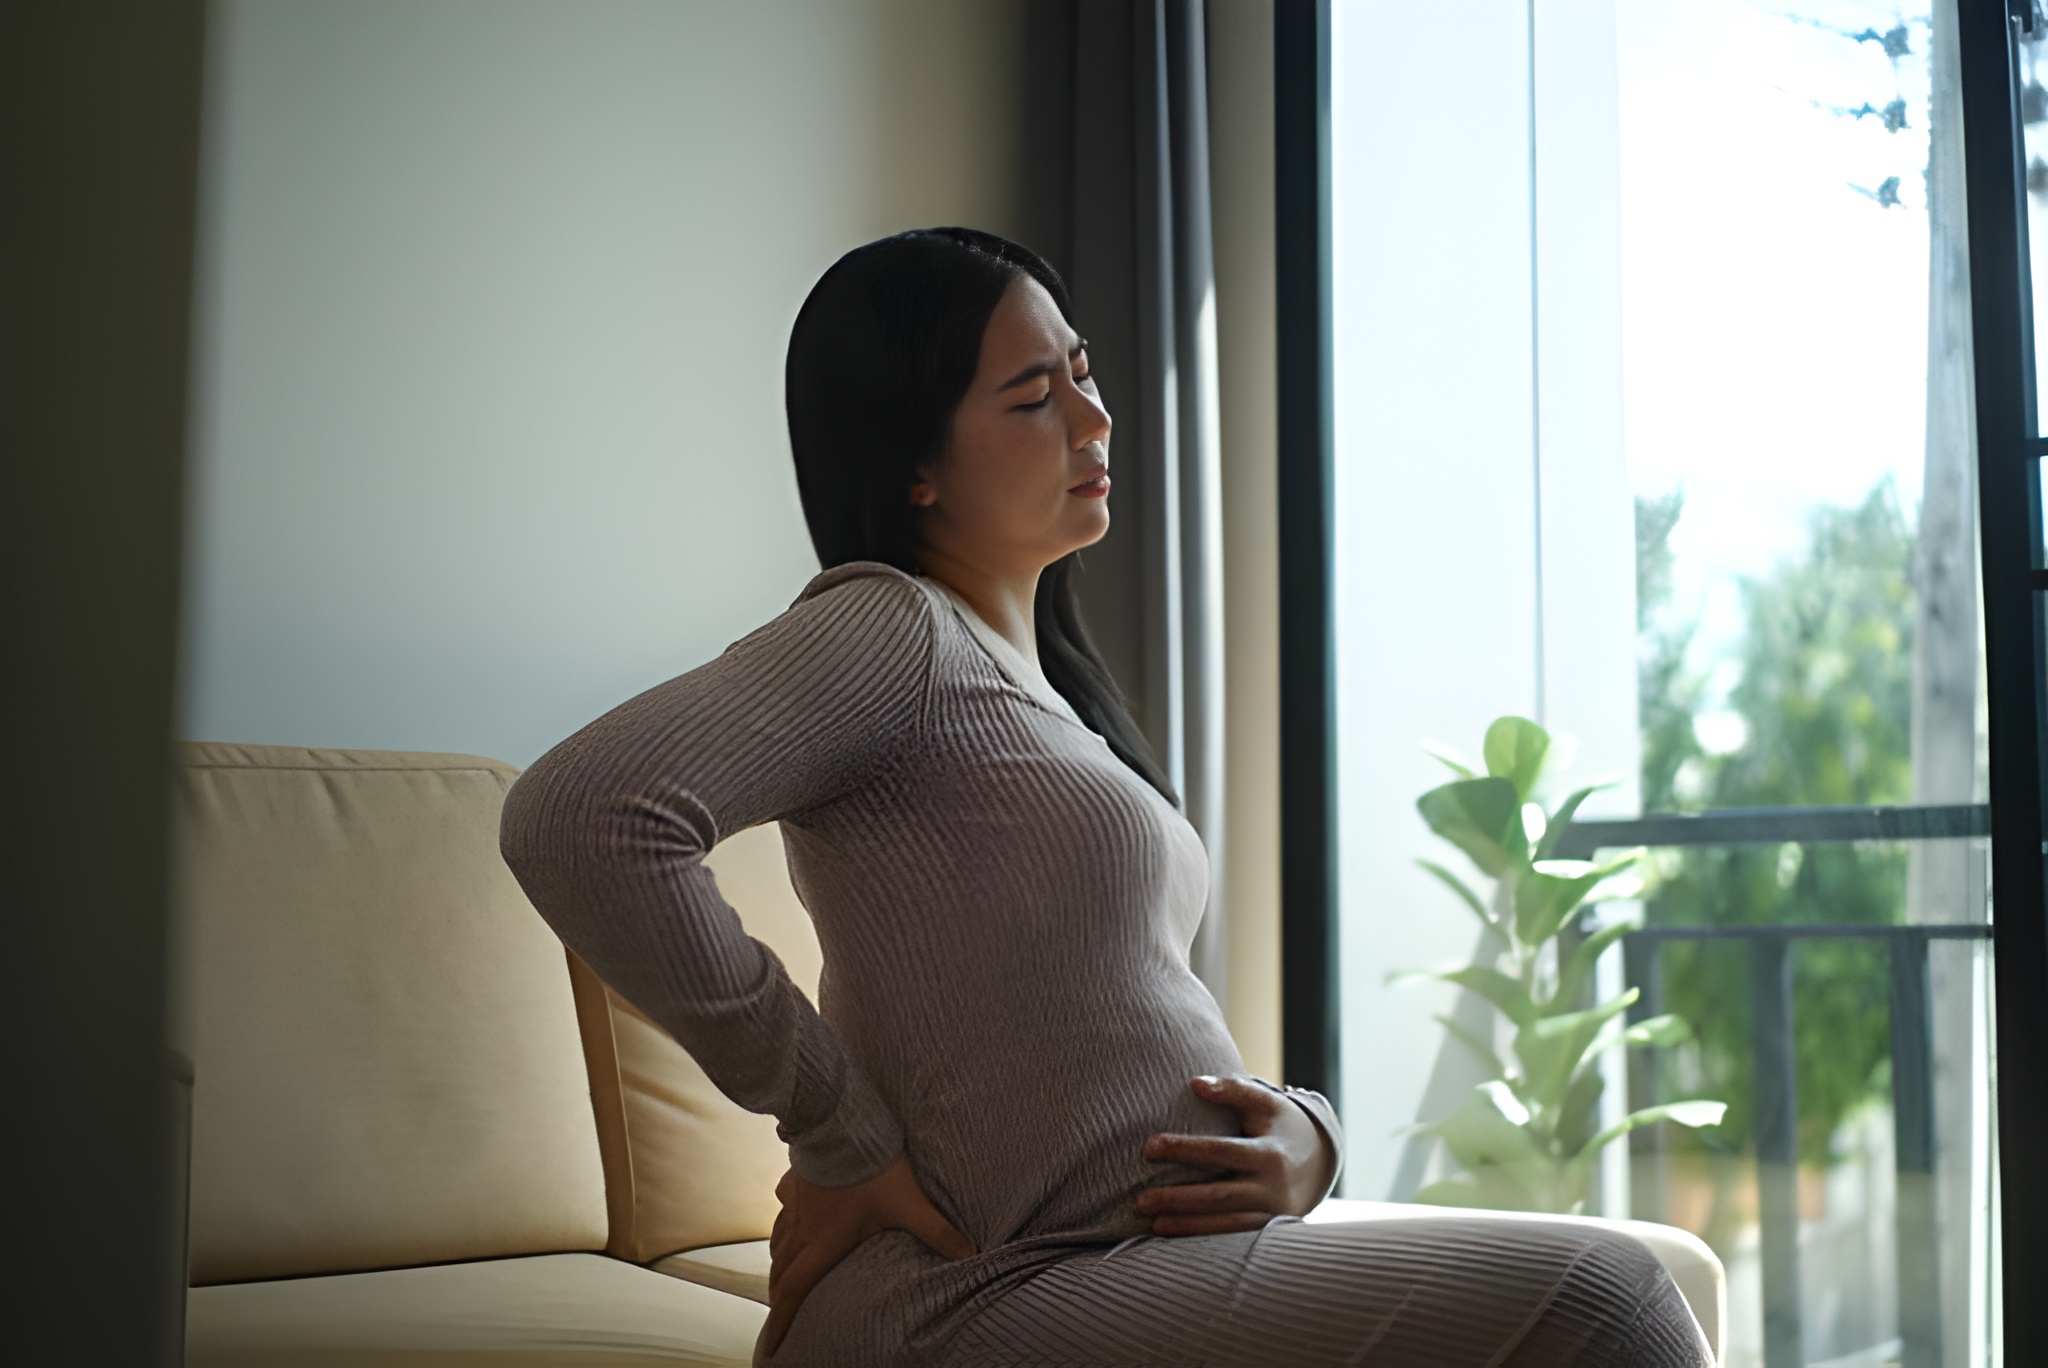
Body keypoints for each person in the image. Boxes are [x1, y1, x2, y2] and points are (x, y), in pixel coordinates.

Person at [496, 228, 1716, 1367]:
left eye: (1081, 372)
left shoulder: (1038, 683)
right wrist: (836, 1130)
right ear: (913, 467)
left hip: (1119, 1264)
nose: (1094, 416)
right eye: (1033, 398)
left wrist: (1305, 1136)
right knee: (1605, 1303)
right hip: (975, 1288)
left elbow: (1119, 1007)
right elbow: (586, 817)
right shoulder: (888, 630)